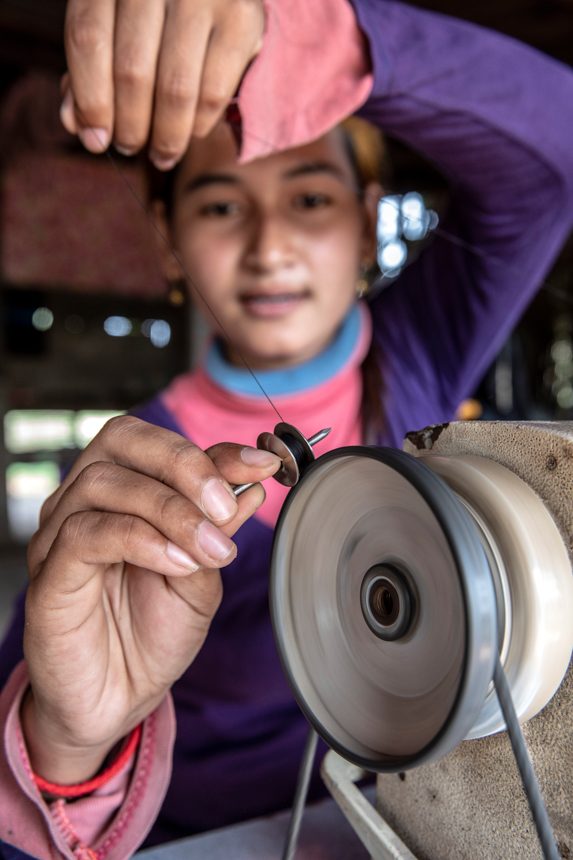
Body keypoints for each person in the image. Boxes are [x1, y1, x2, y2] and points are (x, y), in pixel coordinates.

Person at [1, 0, 573, 857]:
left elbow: (555, 159)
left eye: (309, 197)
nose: (270, 246)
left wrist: (339, 40)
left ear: (365, 218)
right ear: (168, 237)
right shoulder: (122, 489)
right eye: (222, 207)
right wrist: (71, 748)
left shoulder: (417, 359)